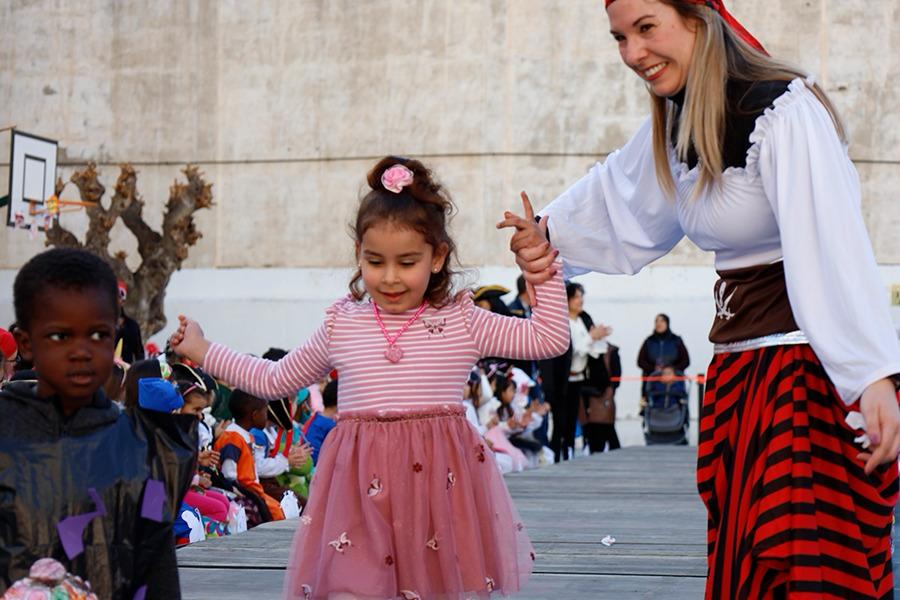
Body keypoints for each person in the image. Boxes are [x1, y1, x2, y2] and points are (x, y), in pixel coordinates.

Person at [504, 1, 900, 597]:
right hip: (739, 377)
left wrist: (870, 373)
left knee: (801, 565)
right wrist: (544, 235)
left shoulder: (783, 109)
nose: (633, 53)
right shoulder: (677, 122)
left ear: (699, 18)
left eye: (646, 28)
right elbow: (618, 196)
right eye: (620, 37)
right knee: (748, 565)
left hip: (803, 380)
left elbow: (834, 243)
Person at [172, 156, 568, 599]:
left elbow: (548, 338)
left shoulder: (462, 320)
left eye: (408, 262)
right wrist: (202, 350)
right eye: (375, 261)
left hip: (436, 496)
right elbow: (274, 379)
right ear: (359, 252)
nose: (390, 277)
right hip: (358, 495)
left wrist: (540, 269)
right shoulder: (343, 324)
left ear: (437, 257)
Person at [0, 248, 195, 599]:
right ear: (27, 343)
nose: (81, 351)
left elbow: (158, 573)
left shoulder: (142, 449)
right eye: (60, 335)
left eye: (97, 335)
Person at [214, 389, 286, 523]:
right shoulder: (233, 437)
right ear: (254, 415)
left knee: (279, 510)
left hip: (254, 490)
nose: (267, 416)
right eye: (265, 412)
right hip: (245, 493)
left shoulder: (245, 435)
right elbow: (229, 474)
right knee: (276, 514)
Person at [114, 280, 144, 365]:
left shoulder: (132, 326)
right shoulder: (100, 325)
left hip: (126, 370)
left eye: (118, 297)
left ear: (123, 301)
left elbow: (139, 355)